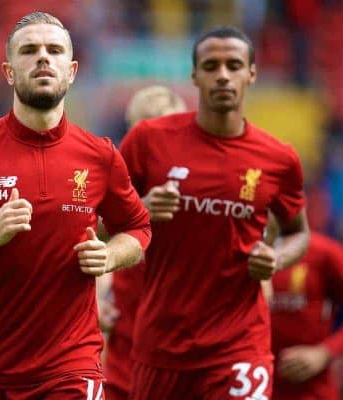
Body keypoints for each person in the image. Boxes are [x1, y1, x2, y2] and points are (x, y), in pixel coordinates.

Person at [0, 12, 151, 400]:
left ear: (71, 71)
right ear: (8, 71)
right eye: (29, 50)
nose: (42, 59)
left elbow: (139, 229)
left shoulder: (100, 155)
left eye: (54, 50)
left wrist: (109, 255)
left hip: (72, 368)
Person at [119, 26, 310, 399]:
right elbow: (98, 220)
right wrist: (140, 210)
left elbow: (298, 232)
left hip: (240, 345)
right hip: (162, 346)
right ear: (195, 75)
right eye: (211, 65)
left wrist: (277, 256)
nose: (223, 74)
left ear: (251, 74)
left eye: (234, 65)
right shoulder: (148, 140)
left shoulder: (278, 158)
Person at [98, 85, 187, 400]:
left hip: (192, 365)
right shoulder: (111, 190)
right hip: (127, 369)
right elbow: (82, 243)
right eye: (145, 132)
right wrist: (94, 302)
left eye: (168, 130)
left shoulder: (211, 194)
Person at [270, 230, 343, 400]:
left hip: (311, 390)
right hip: (255, 384)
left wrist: (324, 352)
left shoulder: (325, 252)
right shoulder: (243, 252)